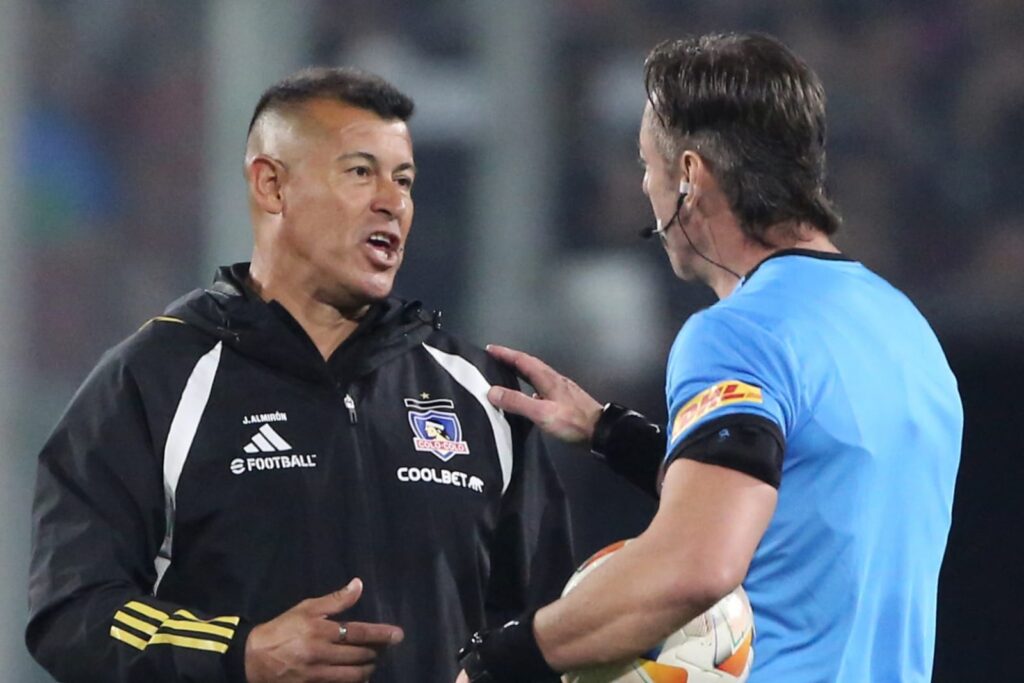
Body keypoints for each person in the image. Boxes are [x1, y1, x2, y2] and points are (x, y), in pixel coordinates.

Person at [26, 67, 574, 683]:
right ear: (271, 185)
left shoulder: (482, 394)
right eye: (360, 172)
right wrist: (241, 653)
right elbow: (72, 608)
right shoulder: (154, 381)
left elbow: (545, 623)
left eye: (405, 180)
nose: (391, 202)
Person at [456, 33, 962, 683]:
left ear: (689, 176)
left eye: (648, 164)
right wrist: (613, 432)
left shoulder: (736, 333)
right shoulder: (903, 325)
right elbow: (801, 506)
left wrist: (499, 659)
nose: (644, 185)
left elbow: (694, 564)